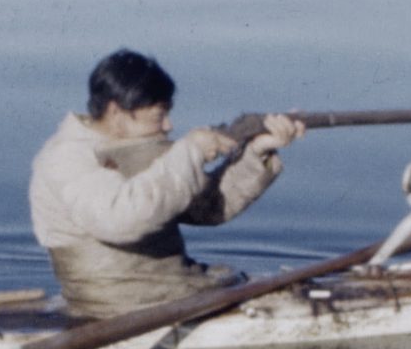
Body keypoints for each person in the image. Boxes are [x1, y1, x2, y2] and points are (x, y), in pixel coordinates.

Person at [30, 49, 305, 319]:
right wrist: (190, 152)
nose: (169, 126)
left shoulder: (129, 148)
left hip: (168, 292)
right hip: (124, 308)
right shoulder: (66, 159)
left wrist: (257, 152)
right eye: (159, 116)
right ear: (117, 112)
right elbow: (121, 220)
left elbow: (207, 210)